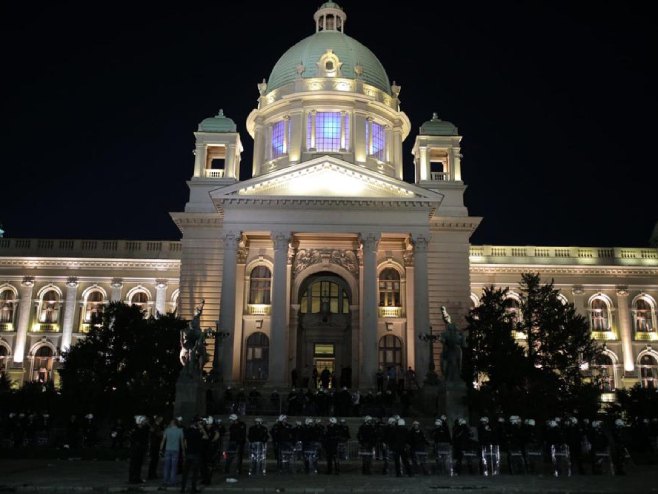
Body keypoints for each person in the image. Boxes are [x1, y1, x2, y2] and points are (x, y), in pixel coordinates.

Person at [181, 416, 207, 494]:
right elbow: (206, 437)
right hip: (196, 454)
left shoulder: (187, 430)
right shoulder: (198, 432)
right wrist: (202, 429)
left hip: (189, 453)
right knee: (195, 473)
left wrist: (186, 450)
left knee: (185, 472)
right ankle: (193, 488)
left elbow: (185, 442)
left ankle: (183, 488)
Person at [160, 418, 185, 487]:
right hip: (176, 450)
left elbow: (163, 440)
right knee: (174, 466)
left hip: (168, 449)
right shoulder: (180, 431)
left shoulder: (167, 430)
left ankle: (165, 480)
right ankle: (173, 481)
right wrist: (183, 451)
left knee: (166, 466)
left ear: (172, 423)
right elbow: (182, 442)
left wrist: (160, 449)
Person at [128, 415, 150, 484]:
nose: (145, 422)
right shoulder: (135, 429)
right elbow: (133, 438)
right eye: (143, 421)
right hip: (136, 449)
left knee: (138, 465)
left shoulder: (144, 428)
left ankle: (136, 478)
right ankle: (132, 479)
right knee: (134, 464)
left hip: (140, 449)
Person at [148, 415, 164, 480]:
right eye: (160, 419)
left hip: (155, 444)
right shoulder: (155, 426)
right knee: (153, 460)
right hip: (154, 445)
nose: (161, 421)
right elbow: (156, 434)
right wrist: (161, 434)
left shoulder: (157, 426)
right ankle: (151, 474)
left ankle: (152, 474)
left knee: (155, 461)